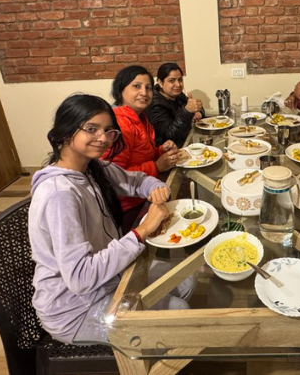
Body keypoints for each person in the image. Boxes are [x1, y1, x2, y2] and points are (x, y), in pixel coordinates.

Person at [29, 94, 190, 344]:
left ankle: (160, 345)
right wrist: (141, 231)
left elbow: (136, 180)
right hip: (75, 309)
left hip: (111, 277)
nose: (103, 138)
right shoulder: (60, 194)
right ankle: (151, 353)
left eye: (108, 131)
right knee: (180, 311)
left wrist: (155, 187)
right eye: (91, 129)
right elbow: (81, 277)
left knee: (186, 279)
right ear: (65, 132)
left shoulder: (93, 168)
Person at [103, 65, 180, 232]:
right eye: (136, 86)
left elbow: (141, 154)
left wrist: (160, 150)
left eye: (148, 88)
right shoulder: (121, 125)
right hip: (128, 206)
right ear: (121, 90)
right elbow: (114, 177)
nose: (144, 93)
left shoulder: (140, 118)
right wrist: (157, 166)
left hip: (145, 193)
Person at [146, 62, 205, 148]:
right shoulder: (154, 104)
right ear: (160, 83)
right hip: (168, 151)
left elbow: (196, 106)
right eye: (172, 80)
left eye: (180, 80)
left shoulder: (178, 95)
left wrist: (198, 113)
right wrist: (187, 111)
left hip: (186, 142)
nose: (178, 84)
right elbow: (170, 135)